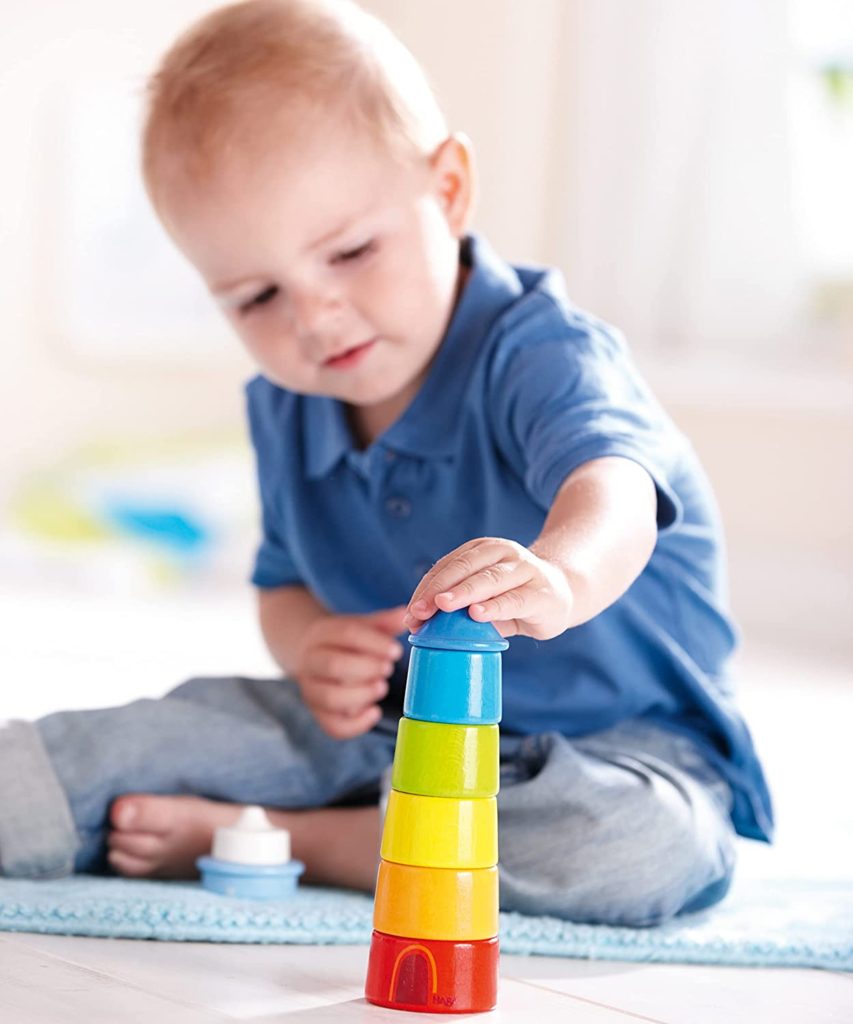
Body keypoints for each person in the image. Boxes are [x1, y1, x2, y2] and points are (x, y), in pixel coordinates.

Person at [0, 0, 772, 927]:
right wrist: (309, 649)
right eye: (255, 296)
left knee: (636, 846)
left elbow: (615, 484)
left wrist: (560, 576)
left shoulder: (540, 351)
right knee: (120, 748)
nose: (315, 318)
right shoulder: (284, 405)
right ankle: (161, 805)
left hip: (612, 750)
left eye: (352, 251)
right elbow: (284, 582)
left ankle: (289, 838)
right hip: (381, 736)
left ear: (447, 189)